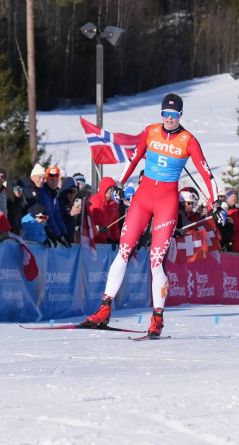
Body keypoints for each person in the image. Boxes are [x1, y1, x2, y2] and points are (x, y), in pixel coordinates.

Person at [81, 93, 219, 338]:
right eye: (165, 113)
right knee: (123, 252)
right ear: (161, 113)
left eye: (174, 115)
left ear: (180, 116)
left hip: (166, 203)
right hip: (142, 200)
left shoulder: (189, 141)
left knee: (156, 262)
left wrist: (216, 200)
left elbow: (206, 172)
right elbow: (134, 159)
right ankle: (104, 309)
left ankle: (157, 319)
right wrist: (121, 182)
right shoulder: (150, 132)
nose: (169, 119)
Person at [87, 177, 121, 245]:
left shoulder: (114, 204)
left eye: (113, 188)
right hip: (94, 241)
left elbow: (114, 225)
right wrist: (106, 238)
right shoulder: (95, 201)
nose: (111, 190)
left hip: (106, 241)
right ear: (104, 188)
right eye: (109, 188)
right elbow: (95, 223)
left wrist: (117, 239)